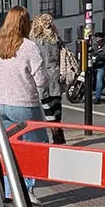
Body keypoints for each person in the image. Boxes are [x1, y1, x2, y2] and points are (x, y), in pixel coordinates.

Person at [0, 6, 49, 195]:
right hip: (24, 105)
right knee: (32, 149)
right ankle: (27, 191)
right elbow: (41, 79)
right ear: (25, 24)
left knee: (8, 150)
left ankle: (9, 192)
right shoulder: (28, 46)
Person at [30, 12, 65, 145]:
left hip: (42, 77)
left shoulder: (34, 40)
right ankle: (59, 134)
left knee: (47, 107)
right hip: (55, 75)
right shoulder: (55, 38)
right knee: (57, 107)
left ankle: (55, 133)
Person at [90, 34, 105, 101]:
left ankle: (98, 97)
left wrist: (99, 57)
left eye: (99, 40)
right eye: (97, 40)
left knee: (99, 78)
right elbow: (91, 52)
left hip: (103, 66)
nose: (98, 41)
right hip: (94, 64)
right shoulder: (95, 46)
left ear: (102, 40)